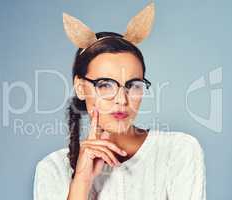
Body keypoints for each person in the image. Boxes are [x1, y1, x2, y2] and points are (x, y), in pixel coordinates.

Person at [33, 2, 206, 200]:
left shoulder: (178, 150)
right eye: (105, 84)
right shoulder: (53, 169)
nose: (122, 100)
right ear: (80, 87)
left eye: (133, 85)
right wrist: (81, 182)